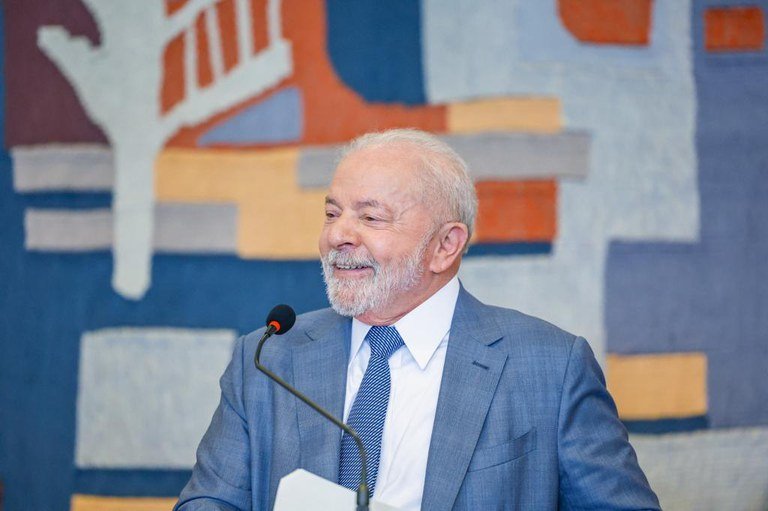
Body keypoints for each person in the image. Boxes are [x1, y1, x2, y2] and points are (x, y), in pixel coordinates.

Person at [174, 129, 660, 510]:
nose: (338, 235)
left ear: (446, 245)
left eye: (371, 217)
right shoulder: (269, 357)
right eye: (332, 213)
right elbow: (208, 503)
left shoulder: (551, 368)